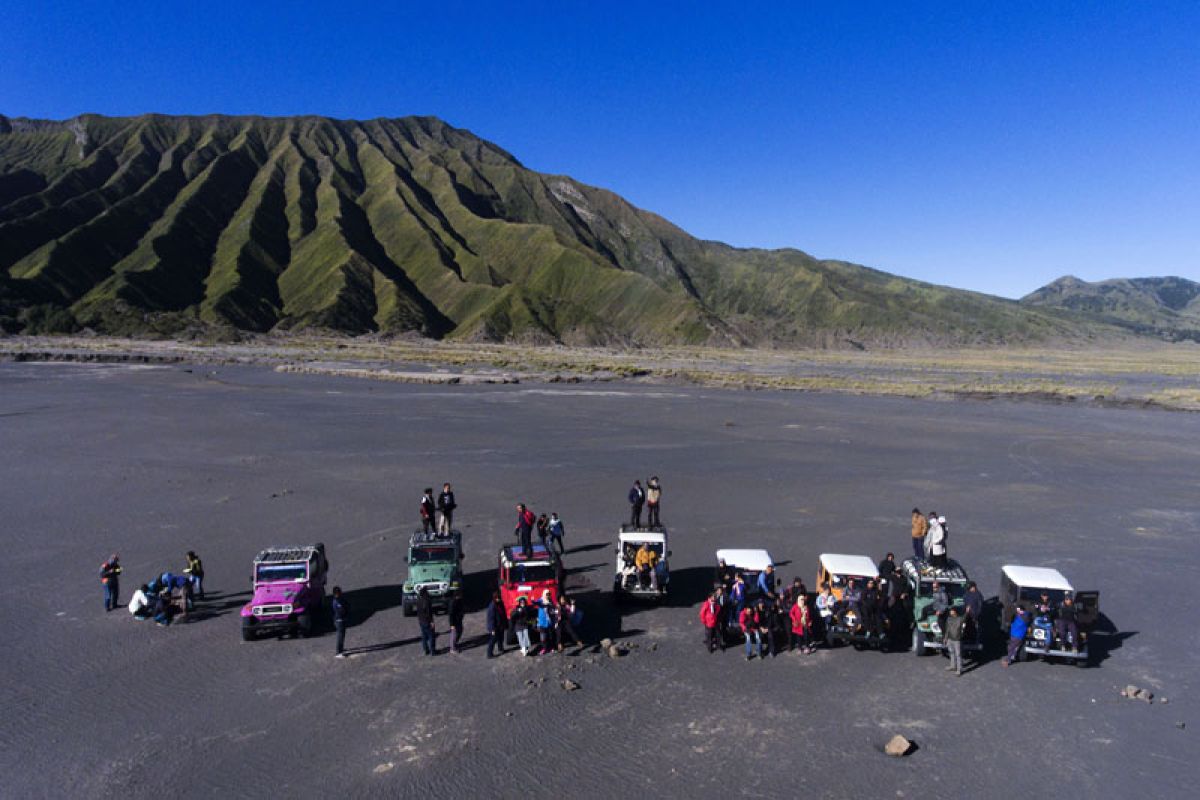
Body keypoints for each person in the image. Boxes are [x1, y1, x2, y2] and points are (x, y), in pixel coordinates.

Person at [944, 607, 966, 675]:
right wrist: (945, 638)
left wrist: (967, 611)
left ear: (955, 612)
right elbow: (947, 629)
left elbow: (965, 617)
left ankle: (959, 669)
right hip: (950, 639)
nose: (950, 612)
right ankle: (953, 666)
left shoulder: (960, 619)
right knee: (951, 652)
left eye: (952, 611)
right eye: (950, 611)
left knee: (958, 654)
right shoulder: (949, 619)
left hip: (957, 640)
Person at [535, 590, 557, 655]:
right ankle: (544, 648)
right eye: (547, 594)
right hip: (542, 622)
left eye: (549, 594)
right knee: (543, 638)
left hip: (549, 622)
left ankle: (551, 648)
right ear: (544, 594)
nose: (548, 595)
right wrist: (533, 601)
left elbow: (553, 609)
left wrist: (554, 612)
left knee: (550, 637)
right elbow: (536, 603)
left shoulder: (550, 601)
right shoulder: (541, 600)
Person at [485, 592, 506, 658]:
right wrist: (492, 629)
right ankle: (489, 654)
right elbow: (491, 619)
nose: (499, 599)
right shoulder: (492, 606)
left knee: (501, 638)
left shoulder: (500, 603)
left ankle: (500, 648)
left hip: (500, 625)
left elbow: (503, 613)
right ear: (495, 598)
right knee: (493, 640)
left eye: (499, 598)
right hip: (495, 626)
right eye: (497, 598)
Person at [416, 587, 437, 656]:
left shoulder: (419, 600)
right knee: (431, 636)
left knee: (424, 637)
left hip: (421, 621)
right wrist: (431, 622)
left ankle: (426, 650)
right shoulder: (427, 601)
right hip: (427, 621)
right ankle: (432, 651)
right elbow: (429, 613)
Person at [332, 586, 349, 658]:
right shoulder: (337, 601)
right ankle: (338, 652)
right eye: (338, 592)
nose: (340, 593)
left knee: (342, 635)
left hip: (341, 620)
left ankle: (341, 649)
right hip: (339, 621)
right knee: (340, 636)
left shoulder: (339, 599)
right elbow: (341, 611)